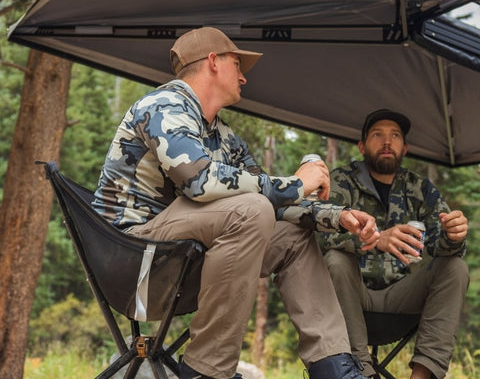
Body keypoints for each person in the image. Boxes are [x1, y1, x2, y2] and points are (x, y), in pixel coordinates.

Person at [93, 26, 380, 379]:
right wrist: (296, 182)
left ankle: (333, 366)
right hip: (134, 264)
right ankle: (206, 371)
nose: (244, 77)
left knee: (291, 236)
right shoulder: (164, 104)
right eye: (237, 64)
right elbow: (199, 181)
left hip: (183, 263)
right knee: (251, 209)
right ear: (213, 61)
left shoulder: (224, 136)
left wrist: (339, 216)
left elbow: (271, 198)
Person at [317, 109, 469, 379]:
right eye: (378, 135)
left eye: (395, 136)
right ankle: (361, 372)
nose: (387, 142)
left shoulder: (420, 189)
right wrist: (376, 240)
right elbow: (319, 233)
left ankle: (422, 375)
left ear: (405, 147)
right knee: (336, 260)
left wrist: (453, 235)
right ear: (362, 146)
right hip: (351, 298)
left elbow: (439, 246)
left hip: (404, 299)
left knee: (456, 267)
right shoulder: (342, 181)